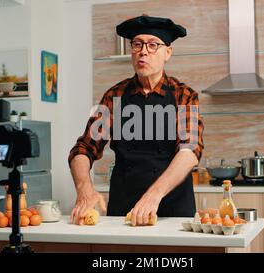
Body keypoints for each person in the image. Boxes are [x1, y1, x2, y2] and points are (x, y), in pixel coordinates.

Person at [69, 15, 204, 226]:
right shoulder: (115, 96)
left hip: (173, 211)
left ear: (167, 52)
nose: (143, 51)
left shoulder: (184, 95)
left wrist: (153, 196)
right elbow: (83, 149)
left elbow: (189, 152)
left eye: (153, 45)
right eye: (137, 44)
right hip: (123, 211)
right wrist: (84, 187)